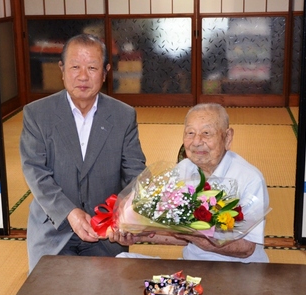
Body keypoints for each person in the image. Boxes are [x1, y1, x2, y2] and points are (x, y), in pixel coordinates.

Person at [20, 34, 146, 272]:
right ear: (62, 69)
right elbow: (35, 172)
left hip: (107, 233)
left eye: (92, 68)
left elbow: (135, 173)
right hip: (53, 229)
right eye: (75, 67)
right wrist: (70, 213)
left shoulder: (123, 115)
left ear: (106, 71)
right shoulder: (37, 114)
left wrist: (128, 217)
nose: (83, 76)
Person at [109, 103, 269, 263]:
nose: (197, 141)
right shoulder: (184, 169)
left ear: (227, 138)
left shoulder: (249, 178)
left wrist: (192, 233)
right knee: (122, 261)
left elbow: (247, 248)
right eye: (190, 133)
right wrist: (138, 234)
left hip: (239, 270)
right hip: (193, 265)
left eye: (206, 133)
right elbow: (181, 236)